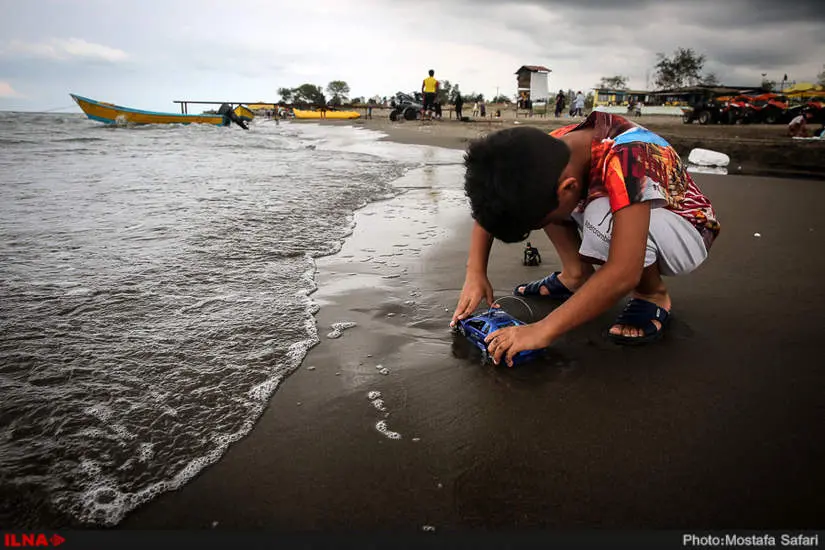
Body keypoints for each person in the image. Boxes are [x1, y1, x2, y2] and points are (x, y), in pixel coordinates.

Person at [451, 111, 721, 365]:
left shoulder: (630, 158)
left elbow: (623, 272)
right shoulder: (551, 153)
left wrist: (542, 330)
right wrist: (475, 272)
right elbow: (498, 193)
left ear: (569, 187)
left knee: (599, 214)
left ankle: (652, 293)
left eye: (542, 225)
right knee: (542, 203)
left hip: (686, 229)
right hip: (610, 203)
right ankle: (575, 274)